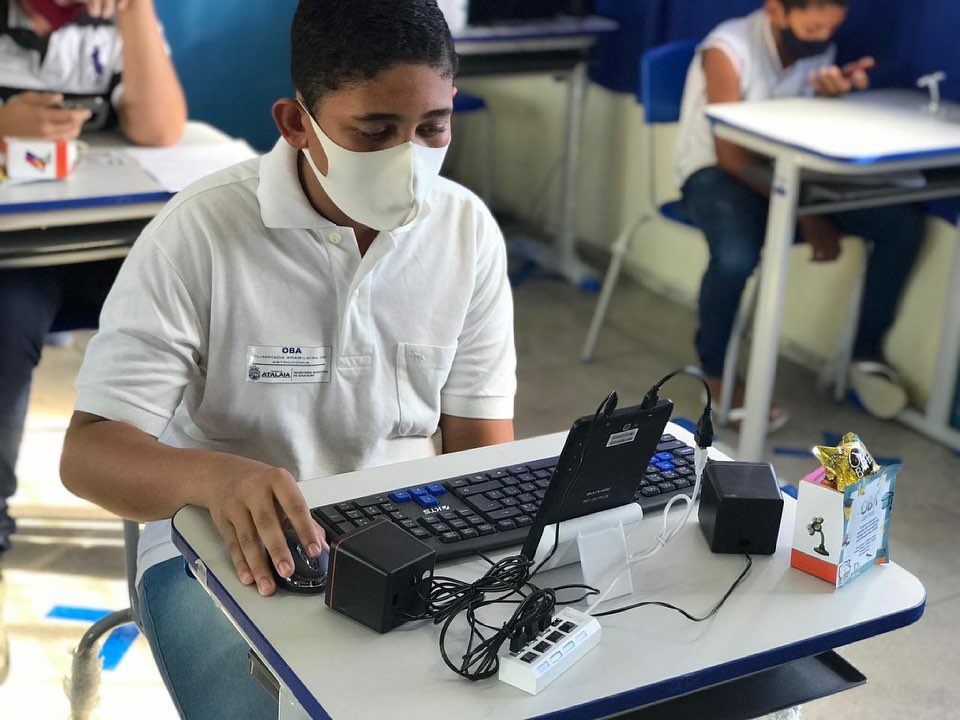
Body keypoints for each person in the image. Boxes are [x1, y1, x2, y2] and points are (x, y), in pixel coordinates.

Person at [59, 0, 516, 716]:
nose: (409, 160)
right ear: (296, 123)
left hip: (409, 534)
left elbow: (481, 452)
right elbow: (88, 454)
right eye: (374, 132)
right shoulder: (201, 234)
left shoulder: (467, 233)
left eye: (432, 128)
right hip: (219, 552)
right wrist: (213, 478)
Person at [674, 0, 924, 424]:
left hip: (787, 176)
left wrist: (831, 101)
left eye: (830, 29)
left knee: (900, 225)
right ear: (776, 11)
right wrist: (808, 215)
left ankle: (863, 355)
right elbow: (732, 156)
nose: (822, 39)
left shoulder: (817, 50)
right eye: (812, 29)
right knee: (736, 258)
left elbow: (805, 131)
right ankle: (716, 374)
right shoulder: (727, 49)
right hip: (717, 173)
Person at [0, 0, 186, 555]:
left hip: (103, 242)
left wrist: (134, 11)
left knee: (193, 297)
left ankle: (186, 502)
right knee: (6, 322)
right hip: (17, 254)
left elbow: (159, 129)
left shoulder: (116, 18)